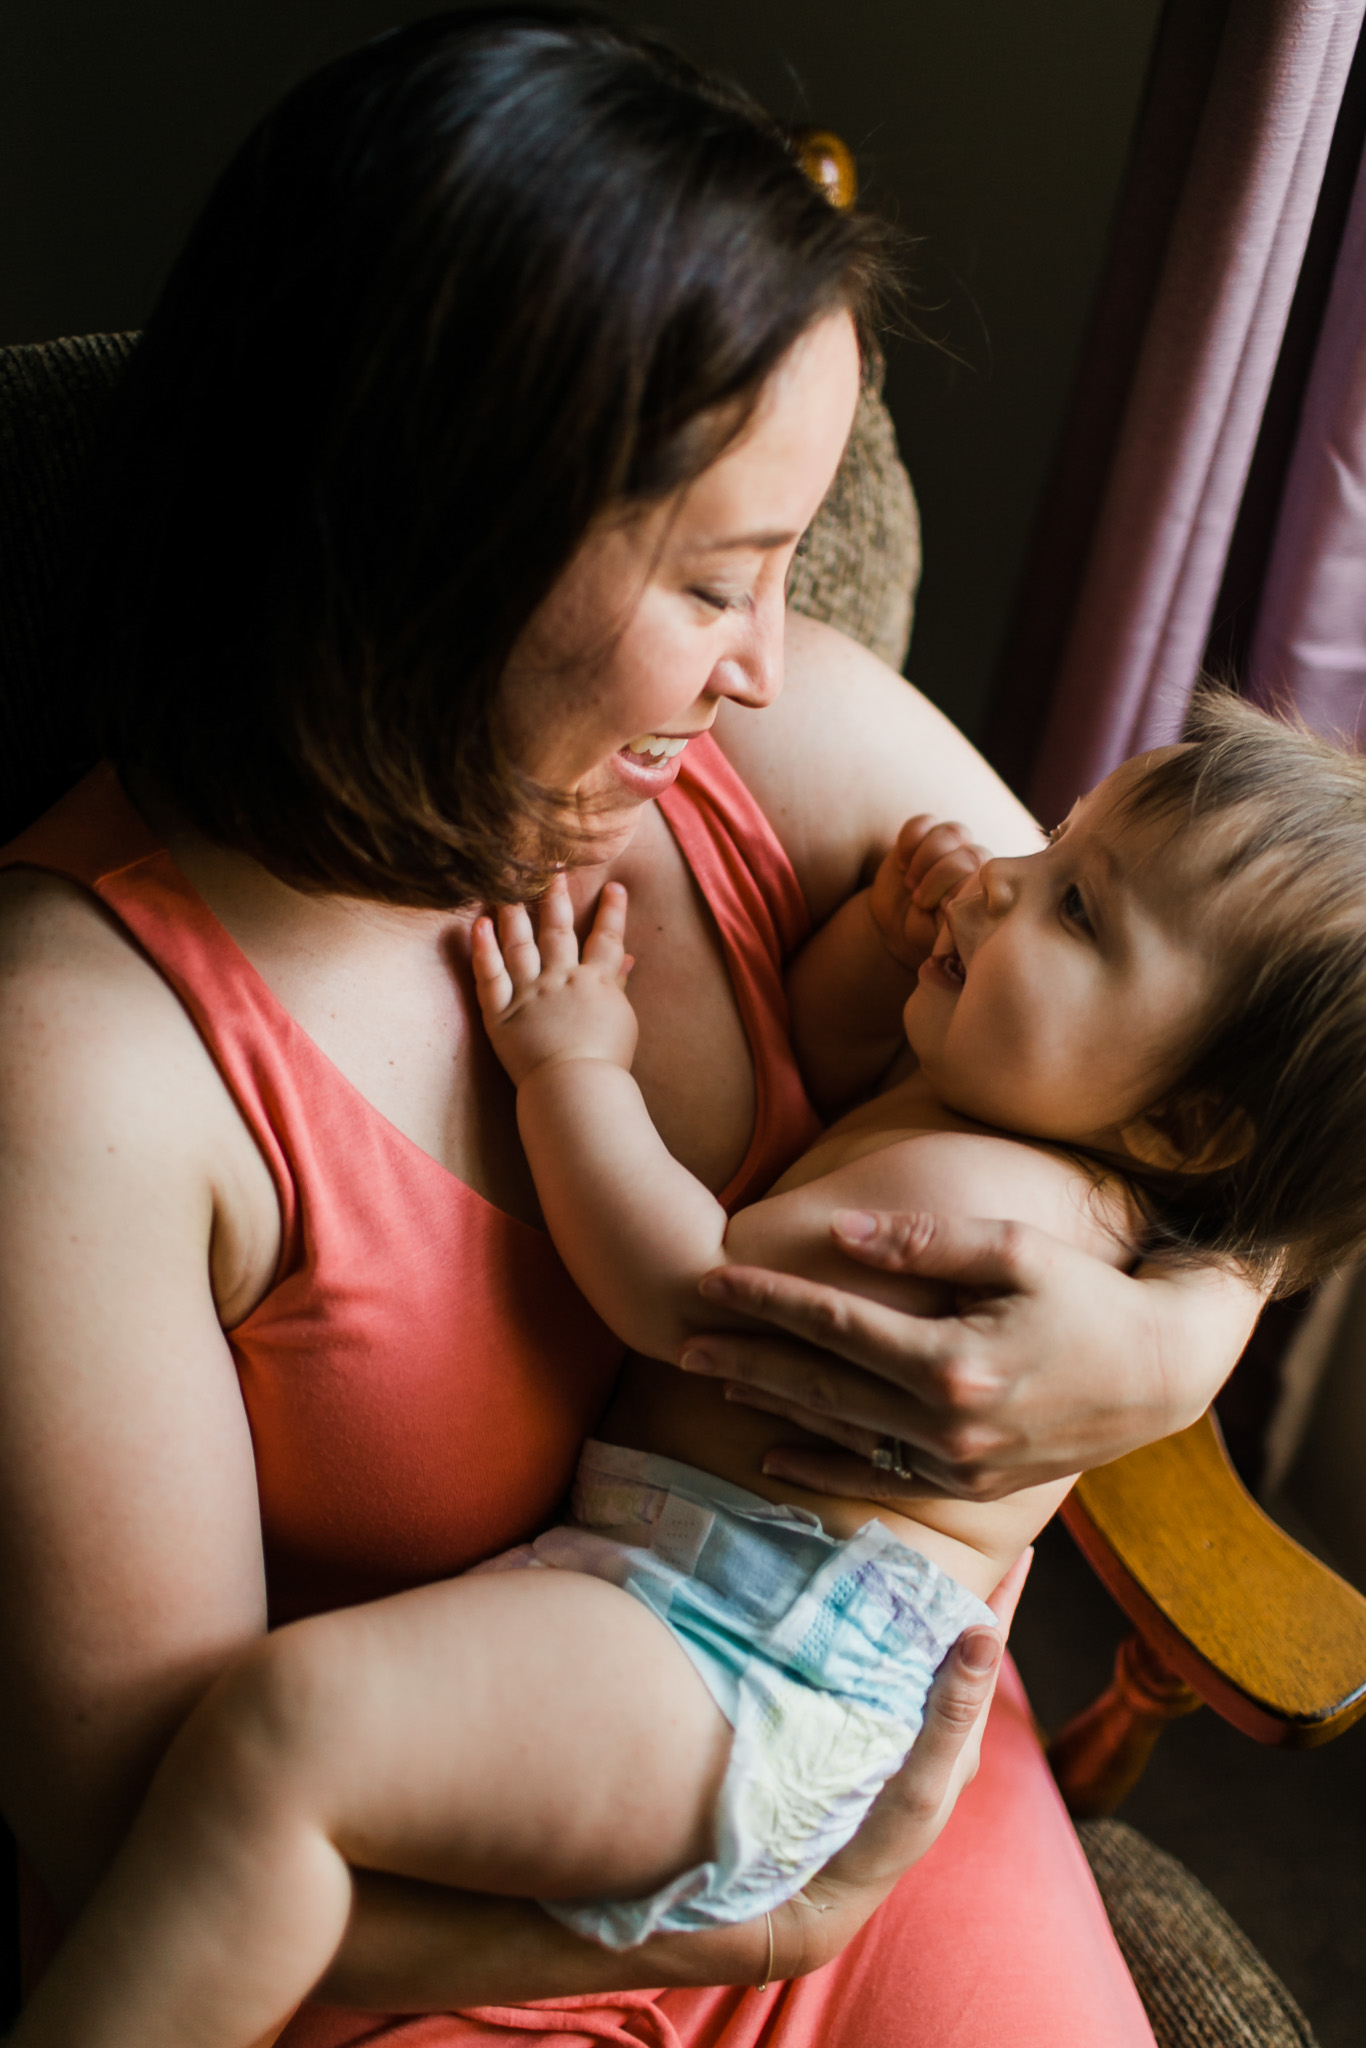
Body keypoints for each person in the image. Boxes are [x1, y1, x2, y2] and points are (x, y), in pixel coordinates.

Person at [0, 11, 1261, 2045]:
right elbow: (134, 1834)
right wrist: (712, 1933)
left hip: (875, 1786)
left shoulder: (781, 757)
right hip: (418, 1937)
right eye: (716, 580)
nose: (772, 663)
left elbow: (1234, 1076)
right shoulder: (83, 1055)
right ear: (443, 538)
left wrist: (1163, 1331)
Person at [11, 694, 1360, 2048]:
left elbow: (683, 1293)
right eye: (1054, 839)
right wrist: (878, 947)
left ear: (1184, 1125)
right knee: (286, 1755)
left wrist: (571, 1069)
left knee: (286, 1737)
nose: (1004, 870)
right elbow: (831, 1071)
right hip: (717, 1627)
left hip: (743, 1664)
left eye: (1072, 907)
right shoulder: (1024, 1110)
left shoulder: (973, 1206)